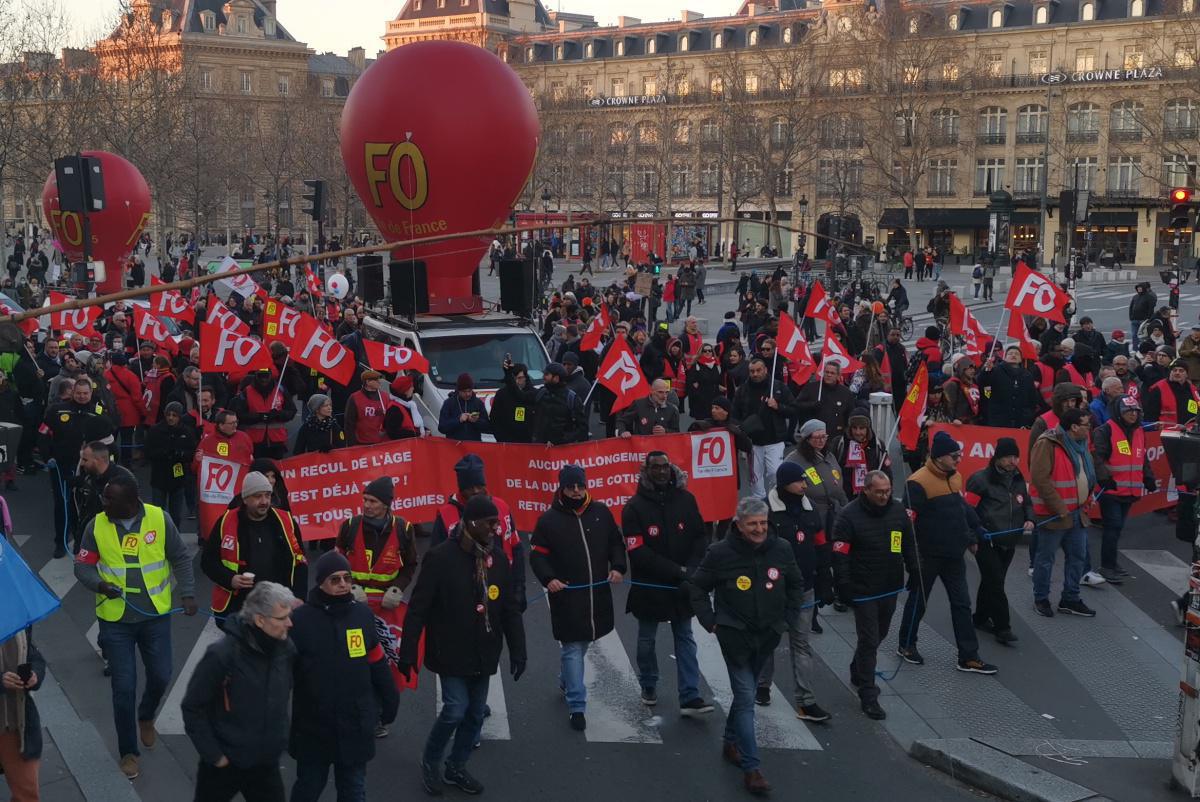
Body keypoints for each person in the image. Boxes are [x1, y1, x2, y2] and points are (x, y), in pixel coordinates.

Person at [399, 494, 527, 796]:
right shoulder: (440, 558)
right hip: (450, 650)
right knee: (456, 709)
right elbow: (418, 608)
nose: (496, 528)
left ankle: (456, 765)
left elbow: (509, 609)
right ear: (471, 523)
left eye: (496, 522)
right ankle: (431, 761)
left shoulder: (497, 560)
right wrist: (408, 651)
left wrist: (519, 650)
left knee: (474, 714)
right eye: (490, 523)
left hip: (484, 651)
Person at [73, 473, 197, 779]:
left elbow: (180, 557)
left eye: (109, 498)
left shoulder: (159, 518)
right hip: (116, 622)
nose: (103, 502)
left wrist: (188, 593)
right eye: (104, 497)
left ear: (130, 501)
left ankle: (146, 715)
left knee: (161, 675)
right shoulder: (95, 526)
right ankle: (128, 752)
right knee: (123, 688)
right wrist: (100, 585)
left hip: (155, 617)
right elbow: (82, 567)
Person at [686, 496, 802, 797]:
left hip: (768, 635)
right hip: (735, 637)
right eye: (752, 524)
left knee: (744, 694)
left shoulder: (782, 548)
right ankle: (752, 769)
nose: (759, 529)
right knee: (747, 696)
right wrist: (710, 621)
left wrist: (787, 619)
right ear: (738, 525)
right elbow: (697, 586)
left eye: (763, 523)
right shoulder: (720, 553)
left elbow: (795, 584)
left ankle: (730, 741)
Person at [288, 551, 399, 802]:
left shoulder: (362, 615)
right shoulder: (300, 620)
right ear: (321, 583)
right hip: (314, 725)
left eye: (347, 578)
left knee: (353, 790)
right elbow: (283, 671)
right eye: (335, 579)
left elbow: (377, 662)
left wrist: (390, 699)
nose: (343, 585)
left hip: (354, 724)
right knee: (308, 788)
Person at [529, 465, 626, 731]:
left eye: (580, 486)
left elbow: (616, 543)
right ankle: (577, 706)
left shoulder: (602, 512)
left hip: (597, 594)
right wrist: (549, 579)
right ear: (562, 488)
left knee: (583, 644)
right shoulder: (548, 520)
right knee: (573, 647)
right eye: (570, 487)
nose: (576, 491)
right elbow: (537, 556)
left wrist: (618, 567)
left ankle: (566, 679)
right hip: (567, 595)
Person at [181, 582, 296, 802]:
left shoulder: (285, 649)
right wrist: (215, 756)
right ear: (260, 620)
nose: (289, 623)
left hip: (265, 764)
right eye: (282, 618)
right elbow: (192, 707)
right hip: (225, 764)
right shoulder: (222, 655)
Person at [896, 431, 998, 675]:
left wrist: (976, 529)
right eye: (954, 456)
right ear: (939, 457)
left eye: (959, 455)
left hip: (953, 554)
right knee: (918, 602)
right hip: (927, 555)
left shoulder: (955, 476)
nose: (959, 459)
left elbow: (961, 507)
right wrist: (908, 558)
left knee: (962, 604)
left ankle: (968, 656)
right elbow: (905, 523)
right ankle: (906, 644)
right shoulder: (917, 482)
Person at [622, 453, 712, 715]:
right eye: (656, 468)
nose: (662, 472)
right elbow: (637, 552)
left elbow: (700, 537)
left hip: (682, 586)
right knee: (647, 640)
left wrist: (692, 568)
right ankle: (648, 683)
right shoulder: (634, 507)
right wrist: (678, 570)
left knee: (685, 638)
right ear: (646, 471)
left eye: (665, 467)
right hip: (650, 587)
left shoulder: (687, 499)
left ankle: (690, 694)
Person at [832, 470, 917, 718]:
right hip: (863, 589)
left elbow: (908, 543)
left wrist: (915, 569)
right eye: (879, 492)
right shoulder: (848, 515)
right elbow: (840, 554)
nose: (884, 496)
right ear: (866, 490)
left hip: (889, 585)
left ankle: (858, 667)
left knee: (881, 633)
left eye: (888, 491)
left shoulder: (898, 512)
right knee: (869, 640)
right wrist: (843, 585)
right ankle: (868, 693)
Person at [758, 462, 834, 720]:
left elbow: (821, 544)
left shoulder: (809, 508)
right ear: (784, 484)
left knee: (801, 644)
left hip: (804, 588)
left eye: (804, 480)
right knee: (768, 639)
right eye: (799, 481)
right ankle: (762, 685)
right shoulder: (766, 510)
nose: (804, 484)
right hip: (773, 589)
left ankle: (806, 700)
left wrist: (825, 579)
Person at [203, 471, 307, 621]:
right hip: (240, 608)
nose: (264, 501)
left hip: (278, 606)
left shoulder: (286, 521)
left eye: (267, 495)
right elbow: (208, 561)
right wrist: (230, 579)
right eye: (258, 496)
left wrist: (299, 597)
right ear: (245, 499)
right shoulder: (226, 521)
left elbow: (300, 562)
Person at [1029, 407, 1098, 618]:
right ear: (1074, 427)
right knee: (1046, 558)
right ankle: (1041, 598)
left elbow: (1085, 474)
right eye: (1086, 424)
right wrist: (1059, 507)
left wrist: (1088, 495)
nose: (1089, 428)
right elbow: (1040, 479)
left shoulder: (1081, 444)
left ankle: (1070, 598)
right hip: (1054, 514)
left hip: (1077, 512)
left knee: (1078, 556)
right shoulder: (1047, 444)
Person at [964, 438, 1031, 646]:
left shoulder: (1018, 478)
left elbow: (1026, 502)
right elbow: (968, 511)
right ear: (998, 458)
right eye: (1008, 457)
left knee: (992, 580)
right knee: (995, 582)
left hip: (1009, 541)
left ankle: (980, 617)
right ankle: (1003, 627)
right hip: (987, 540)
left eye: (1016, 457)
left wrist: (1030, 518)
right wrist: (972, 538)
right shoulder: (980, 480)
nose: (1013, 461)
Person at [40, 378, 115, 557]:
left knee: (88, 506)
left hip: (88, 468)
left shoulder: (98, 411)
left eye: (85, 393)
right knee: (62, 504)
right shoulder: (57, 410)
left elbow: (109, 439)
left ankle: (82, 543)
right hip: (61, 466)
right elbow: (42, 434)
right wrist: (47, 456)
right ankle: (60, 542)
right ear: (73, 392)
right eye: (79, 393)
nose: (82, 396)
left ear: (90, 393)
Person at [1092, 396, 1155, 582]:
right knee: (1112, 527)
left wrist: (1148, 477)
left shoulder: (1139, 431)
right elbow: (1097, 458)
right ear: (1119, 412)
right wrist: (1104, 478)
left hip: (1129, 491)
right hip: (1111, 490)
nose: (1133, 414)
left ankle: (1111, 562)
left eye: (1135, 411)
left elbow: (1143, 458)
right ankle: (1107, 566)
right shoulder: (1105, 430)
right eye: (1128, 411)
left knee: (1117, 528)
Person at [336, 477, 418, 612]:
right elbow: (337, 562)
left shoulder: (404, 528)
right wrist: (351, 586)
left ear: (386, 505)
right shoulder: (349, 526)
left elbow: (410, 564)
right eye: (365, 499)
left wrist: (397, 588)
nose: (367, 505)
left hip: (386, 601)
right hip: (353, 599)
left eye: (373, 501)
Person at [733, 357, 798, 497]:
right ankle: (759, 502)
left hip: (775, 440)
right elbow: (734, 414)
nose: (755, 374)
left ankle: (775, 499)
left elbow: (793, 409)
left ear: (765, 370)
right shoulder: (742, 390)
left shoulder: (778, 387)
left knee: (776, 473)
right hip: (752, 443)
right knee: (755, 478)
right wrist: (741, 428)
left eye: (758, 370)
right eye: (752, 371)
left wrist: (778, 406)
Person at [0, 626, 46, 802]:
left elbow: (35, 657)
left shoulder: (17, 620)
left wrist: (35, 674)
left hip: (16, 722)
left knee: (27, 795)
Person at [145, 401, 199, 527]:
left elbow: (192, 452)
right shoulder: (155, 431)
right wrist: (165, 453)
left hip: (178, 479)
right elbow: (148, 452)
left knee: (176, 515)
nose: (170, 418)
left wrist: (180, 454)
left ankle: (175, 536)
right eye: (168, 414)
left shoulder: (187, 432)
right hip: (159, 476)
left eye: (174, 415)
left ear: (179, 416)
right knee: (157, 513)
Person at [230, 368, 294, 460]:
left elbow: (292, 411)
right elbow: (239, 414)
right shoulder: (247, 391)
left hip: (277, 440)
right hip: (254, 440)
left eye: (266, 376)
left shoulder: (280, 390)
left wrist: (278, 414)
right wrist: (259, 416)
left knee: (276, 467)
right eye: (261, 376)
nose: (264, 380)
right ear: (256, 376)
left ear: (271, 376)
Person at [828, 414, 891, 500]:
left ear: (867, 429)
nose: (858, 432)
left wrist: (887, 497)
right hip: (844, 497)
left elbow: (886, 473)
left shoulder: (877, 445)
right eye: (854, 428)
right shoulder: (840, 443)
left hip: (870, 497)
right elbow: (829, 468)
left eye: (861, 428)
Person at [979, 346, 1039, 428]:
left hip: (1020, 422)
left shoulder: (1027, 375)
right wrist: (986, 371)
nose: (1013, 355)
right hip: (999, 420)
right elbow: (983, 384)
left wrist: (1028, 416)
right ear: (1005, 357)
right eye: (1010, 353)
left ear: (1021, 359)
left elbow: (1032, 399)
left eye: (1017, 354)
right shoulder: (996, 370)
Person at [531, 362, 589, 444]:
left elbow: (583, 428)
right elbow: (522, 396)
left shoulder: (572, 399)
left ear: (556, 378)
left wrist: (563, 439)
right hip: (540, 448)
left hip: (563, 449)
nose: (543, 377)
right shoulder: (541, 394)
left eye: (547, 374)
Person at [794, 362, 854, 439]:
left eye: (832, 373)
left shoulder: (845, 393)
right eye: (827, 372)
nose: (829, 375)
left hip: (835, 436)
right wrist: (811, 405)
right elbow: (796, 405)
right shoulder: (811, 388)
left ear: (838, 375)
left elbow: (850, 414)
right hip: (813, 436)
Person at [1143, 358, 1200, 426]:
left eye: (1181, 371)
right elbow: (1150, 416)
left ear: (1186, 374)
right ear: (1170, 372)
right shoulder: (1158, 389)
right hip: (1166, 431)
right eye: (1174, 370)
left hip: (1190, 430)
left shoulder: (1193, 390)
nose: (1177, 373)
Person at [491, 361, 535, 443]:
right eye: (514, 378)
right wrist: (501, 439)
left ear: (526, 377)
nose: (517, 381)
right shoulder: (501, 394)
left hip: (528, 443)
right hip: (506, 442)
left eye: (520, 378)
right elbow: (494, 419)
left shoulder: (532, 393)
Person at [438, 373, 491, 441]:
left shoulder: (478, 403)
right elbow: (442, 427)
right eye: (464, 391)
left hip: (474, 444)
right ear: (459, 390)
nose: (467, 394)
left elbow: (487, 427)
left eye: (469, 391)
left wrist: (476, 421)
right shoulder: (449, 403)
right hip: (454, 444)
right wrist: (459, 420)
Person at [343, 370, 389, 446]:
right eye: (376, 380)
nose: (379, 382)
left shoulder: (385, 396)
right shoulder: (355, 398)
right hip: (362, 442)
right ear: (367, 382)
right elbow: (349, 422)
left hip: (382, 441)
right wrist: (351, 444)